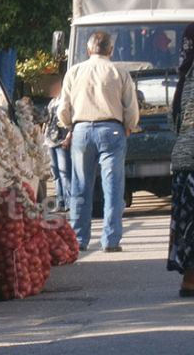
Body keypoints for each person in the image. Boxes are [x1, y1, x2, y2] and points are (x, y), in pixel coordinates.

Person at [58, 31, 140, 252]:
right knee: (113, 187)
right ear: (110, 50)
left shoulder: (74, 72)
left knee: (80, 187)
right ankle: (111, 240)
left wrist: (69, 125)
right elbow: (131, 108)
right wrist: (129, 126)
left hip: (82, 130)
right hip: (112, 131)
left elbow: (63, 108)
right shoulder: (119, 72)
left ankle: (78, 239)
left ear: (88, 49)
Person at [168, 23, 194, 297]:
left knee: (188, 223)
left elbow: (175, 120)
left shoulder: (185, 75)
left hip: (184, 160)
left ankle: (189, 280)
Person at [44, 76, 71, 212]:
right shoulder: (52, 102)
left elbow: (72, 122)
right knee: (56, 173)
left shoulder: (66, 101)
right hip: (50, 141)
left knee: (65, 172)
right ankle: (60, 202)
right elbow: (47, 120)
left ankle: (69, 202)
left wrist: (68, 137)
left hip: (61, 141)